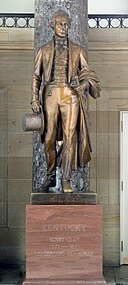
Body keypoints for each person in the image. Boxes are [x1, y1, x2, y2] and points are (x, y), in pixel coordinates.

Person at [31, 10, 100, 193]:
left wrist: (83, 85)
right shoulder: (44, 49)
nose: (64, 27)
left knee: (71, 137)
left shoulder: (78, 50)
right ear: (52, 25)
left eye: (67, 25)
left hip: (71, 97)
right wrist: (34, 98)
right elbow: (36, 76)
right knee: (49, 139)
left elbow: (88, 73)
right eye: (61, 24)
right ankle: (51, 176)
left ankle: (66, 179)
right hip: (50, 95)